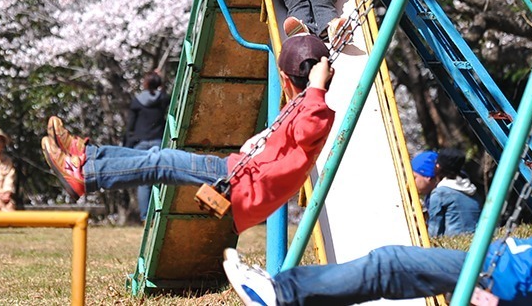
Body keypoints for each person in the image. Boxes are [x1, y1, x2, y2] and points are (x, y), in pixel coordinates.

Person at [223, 54, 532, 306]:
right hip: (503, 272)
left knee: (390, 264)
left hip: (508, 279)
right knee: (395, 276)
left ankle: (281, 294)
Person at [42, 34, 335, 234]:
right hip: (238, 173)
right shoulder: (303, 104)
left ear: (284, 78)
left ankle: (87, 174)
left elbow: (310, 126)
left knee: (160, 162)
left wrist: (317, 88)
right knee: (156, 158)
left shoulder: (315, 110)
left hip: (239, 181)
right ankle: (88, 157)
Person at [126, 70, 170, 221]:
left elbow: (130, 126)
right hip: (158, 141)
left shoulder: (137, 101)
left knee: (144, 182)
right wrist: (160, 81)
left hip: (141, 143)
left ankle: (145, 217)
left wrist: (127, 144)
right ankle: (159, 214)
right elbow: (166, 96)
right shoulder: (162, 99)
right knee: (160, 180)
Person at [422, 148, 481, 237]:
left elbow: (434, 233)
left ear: (438, 166)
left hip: (453, 248)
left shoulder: (440, 194)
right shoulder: (473, 191)